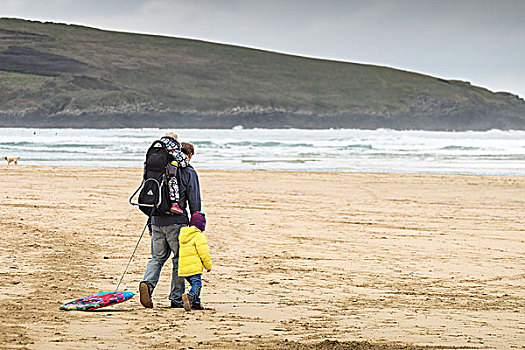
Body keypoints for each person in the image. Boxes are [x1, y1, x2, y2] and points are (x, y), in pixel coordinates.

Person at [139, 142, 201, 309]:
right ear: (189, 155)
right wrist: (197, 224)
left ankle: (147, 284)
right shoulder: (188, 171)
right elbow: (194, 200)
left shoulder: (159, 171)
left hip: (156, 220)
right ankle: (176, 298)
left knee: (157, 258)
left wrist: (150, 223)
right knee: (179, 259)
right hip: (177, 221)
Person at [178, 212, 212, 311]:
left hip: (183, 267)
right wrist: (208, 266)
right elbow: (204, 253)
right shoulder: (198, 236)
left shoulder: (183, 235)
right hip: (194, 267)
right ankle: (190, 296)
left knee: (195, 284)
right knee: (197, 284)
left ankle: (196, 303)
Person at [160, 132, 189, 214]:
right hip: (168, 174)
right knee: (172, 183)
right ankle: (174, 204)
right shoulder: (173, 148)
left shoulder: (157, 147)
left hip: (155, 174)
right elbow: (184, 162)